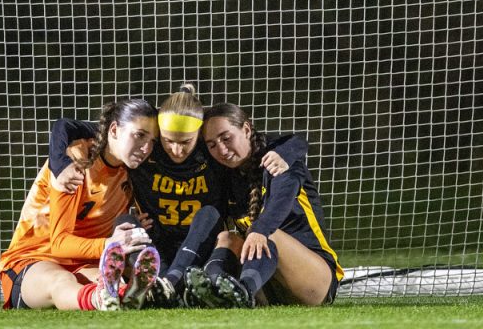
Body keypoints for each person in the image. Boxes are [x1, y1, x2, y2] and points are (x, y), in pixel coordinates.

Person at [47, 85, 298, 307]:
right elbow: (70, 125)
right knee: (125, 222)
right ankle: (160, 285)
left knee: (210, 213)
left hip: (200, 245)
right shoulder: (148, 141)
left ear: (198, 136)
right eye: (168, 142)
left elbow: (282, 141)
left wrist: (288, 152)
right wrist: (59, 164)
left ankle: (169, 284)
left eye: (185, 142)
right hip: (158, 247)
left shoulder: (211, 148)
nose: (176, 150)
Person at [0, 98, 163, 311]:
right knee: (61, 280)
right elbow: (59, 243)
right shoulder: (75, 160)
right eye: (139, 135)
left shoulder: (132, 171)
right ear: (114, 130)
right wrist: (109, 244)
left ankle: (125, 293)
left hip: (85, 261)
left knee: (113, 282)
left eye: (152, 142)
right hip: (34, 259)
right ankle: (99, 300)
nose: (146, 148)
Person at [181, 102, 343, 308]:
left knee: (267, 233)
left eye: (226, 138)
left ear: (246, 129)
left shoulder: (280, 161)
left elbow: (282, 197)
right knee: (227, 237)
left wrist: (260, 229)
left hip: (317, 281)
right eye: (212, 144)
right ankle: (213, 288)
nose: (221, 149)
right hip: (269, 287)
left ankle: (244, 291)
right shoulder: (227, 177)